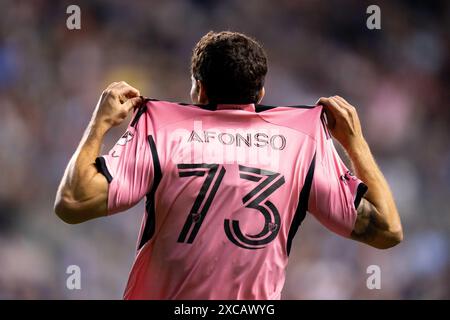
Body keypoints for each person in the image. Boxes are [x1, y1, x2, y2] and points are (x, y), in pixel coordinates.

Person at [54, 31, 402, 299]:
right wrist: (354, 143)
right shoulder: (302, 143)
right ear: (261, 94)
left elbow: (72, 203)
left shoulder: (163, 130)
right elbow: (388, 231)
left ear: (199, 91)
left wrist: (99, 123)